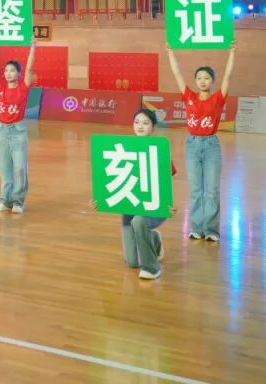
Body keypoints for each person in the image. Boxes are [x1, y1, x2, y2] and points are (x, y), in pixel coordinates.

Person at [91, 109, 177, 280]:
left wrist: (170, 206)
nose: (140, 126)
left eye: (145, 123)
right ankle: (154, 238)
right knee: (131, 262)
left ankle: (152, 268)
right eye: (137, 122)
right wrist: (99, 200)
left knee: (139, 221)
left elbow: (165, 185)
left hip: (153, 207)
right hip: (130, 206)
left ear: (153, 127)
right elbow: (110, 179)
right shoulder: (124, 149)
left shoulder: (159, 151)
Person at [166, 41, 236, 241]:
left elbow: (228, 75)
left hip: (211, 145)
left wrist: (232, 52)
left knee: (212, 190)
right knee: (196, 190)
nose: (202, 81)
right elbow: (177, 73)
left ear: (212, 81)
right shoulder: (189, 96)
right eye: (199, 78)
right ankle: (196, 228)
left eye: (206, 78)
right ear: (195, 81)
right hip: (192, 145)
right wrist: (171, 52)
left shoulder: (218, 98)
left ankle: (211, 230)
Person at [0, 41, 36, 213]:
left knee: (20, 168)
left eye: (12, 70)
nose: (8, 73)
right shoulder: (0, 86)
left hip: (17, 131)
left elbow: (30, 69)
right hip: (1, 131)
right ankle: (5, 200)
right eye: (6, 70)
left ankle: (18, 201)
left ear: (19, 73)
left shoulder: (23, 87)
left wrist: (33, 47)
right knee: (4, 167)